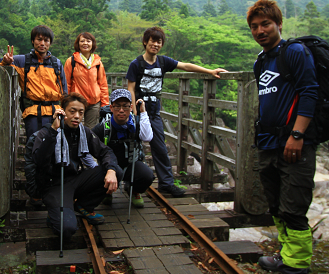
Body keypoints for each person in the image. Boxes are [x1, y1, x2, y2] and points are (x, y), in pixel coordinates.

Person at [247, 0, 318, 274]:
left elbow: (309, 92)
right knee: (276, 204)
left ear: (279, 24)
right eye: (254, 26)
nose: (260, 30)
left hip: (294, 144)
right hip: (268, 143)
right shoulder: (261, 61)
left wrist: (298, 136)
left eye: (266, 24)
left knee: (294, 209)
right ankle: (285, 256)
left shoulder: (295, 52)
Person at [126, 26, 226, 197]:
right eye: (153, 41)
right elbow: (131, 89)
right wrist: (134, 114)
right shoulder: (136, 64)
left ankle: (166, 183)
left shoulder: (163, 62)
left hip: (154, 111)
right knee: (133, 147)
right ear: (145, 42)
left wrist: (209, 71)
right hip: (139, 110)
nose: (156, 44)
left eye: (159, 42)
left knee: (160, 147)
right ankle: (131, 184)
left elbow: (185, 66)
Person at [27, 93, 121, 238]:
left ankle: (84, 205)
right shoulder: (46, 132)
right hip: (54, 185)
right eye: (72, 111)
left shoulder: (83, 132)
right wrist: (53, 131)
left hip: (74, 179)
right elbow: (39, 161)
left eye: (81, 112)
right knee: (67, 229)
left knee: (116, 171)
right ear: (63, 111)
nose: (77, 116)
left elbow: (105, 151)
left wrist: (111, 170)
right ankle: (55, 213)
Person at [0, 25, 67, 139]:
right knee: (33, 145)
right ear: (33, 41)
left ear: (50, 43)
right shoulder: (22, 61)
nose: (42, 43)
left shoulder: (56, 63)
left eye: (46, 40)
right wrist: (5, 61)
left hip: (54, 112)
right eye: (39, 39)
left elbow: (64, 90)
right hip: (33, 113)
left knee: (54, 147)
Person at [92, 89, 155, 208]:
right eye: (117, 106)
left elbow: (147, 137)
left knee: (147, 176)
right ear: (111, 108)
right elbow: (90, 144)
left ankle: (134, 190)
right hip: (109, 167)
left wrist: (143, 112)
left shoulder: (136, 124)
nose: (121, 110)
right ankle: (106, 191)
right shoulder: (104, 127)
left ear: (131, 107)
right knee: (97, 175)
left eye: (125, 106)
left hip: (131, 163)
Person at [64, 32, 109, 128]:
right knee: (74, 128)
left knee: (91, 130)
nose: (85, 43)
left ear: (92, 44)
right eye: (82, 41)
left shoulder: (97, 63)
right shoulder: (71, 61)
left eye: (88, 41)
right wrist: (65, 102)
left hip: (94, 102)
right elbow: (66, 83)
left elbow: (103, 84)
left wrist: (105, 104)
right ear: (78, 44)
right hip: (76, 101)